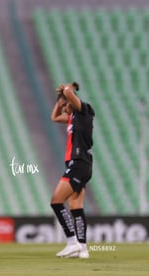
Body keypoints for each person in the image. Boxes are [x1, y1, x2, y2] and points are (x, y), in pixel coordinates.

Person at [50, 82, 95, 259]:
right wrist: (60, 102)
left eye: (67, 103)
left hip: (78, 164)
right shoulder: (72, 118)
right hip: (80, 165)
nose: (65, 107)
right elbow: (54, 117)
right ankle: (82, 249)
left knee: (56, 202)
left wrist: (67, 89)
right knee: (75, 206)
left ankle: (72, 242)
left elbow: (70, 93)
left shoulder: (84, 111)